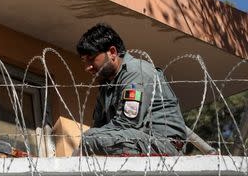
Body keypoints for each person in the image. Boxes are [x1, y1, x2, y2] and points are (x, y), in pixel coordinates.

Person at [76, 23, 186, 156]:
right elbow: (99, 126)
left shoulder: (135, 72)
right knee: (90, 140)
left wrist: (89, 140)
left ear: (112, 52)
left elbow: (128, 123)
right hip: (136, 139)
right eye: (84, 61)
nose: (87, 67)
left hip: (162, 144)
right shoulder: (106, 84)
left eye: (91, 59)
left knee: (91, 139)